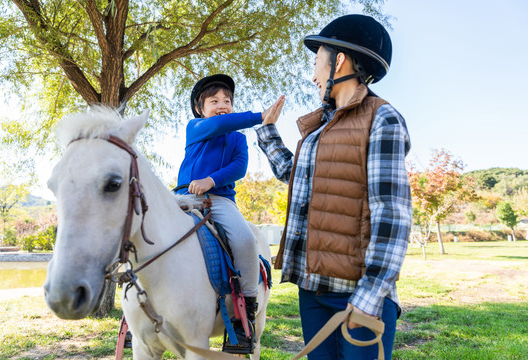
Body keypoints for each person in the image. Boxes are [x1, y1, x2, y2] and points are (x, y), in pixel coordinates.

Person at [256, 15, 412, 360]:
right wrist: (267, 132)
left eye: (317, 63)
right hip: (312, 291)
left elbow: (392, 216)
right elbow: (294, 176)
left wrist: (370, 296)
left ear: (338, 61)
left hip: (358, 295)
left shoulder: (382, 120)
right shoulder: (319, 128)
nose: (313, 76)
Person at [175, 74, 274, 353]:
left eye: (227, 101)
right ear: (200, 109)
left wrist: (211, 181)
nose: (222, 105)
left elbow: (239, 167)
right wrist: (260, 115)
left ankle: (245, 316)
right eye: (214, 100)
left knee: (244, 239)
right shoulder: (196, 127)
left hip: (218, 199)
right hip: (183, 196)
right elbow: (219, 124)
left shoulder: (238, 139)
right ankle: (136, 310)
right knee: (150, 226)